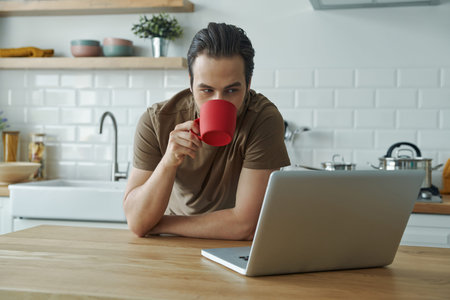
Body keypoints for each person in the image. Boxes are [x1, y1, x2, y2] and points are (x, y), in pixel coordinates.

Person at [124, 22, 290, 240]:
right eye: (206, 90)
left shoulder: (263, 119)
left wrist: (159, 223)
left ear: (248, 84)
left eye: (231, 90)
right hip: (169, 246)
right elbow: (136, 221)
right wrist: (168, 162)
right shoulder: (157, 121)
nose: (218, 100)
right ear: (191, 84)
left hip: (231, 246)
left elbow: (246, 226)